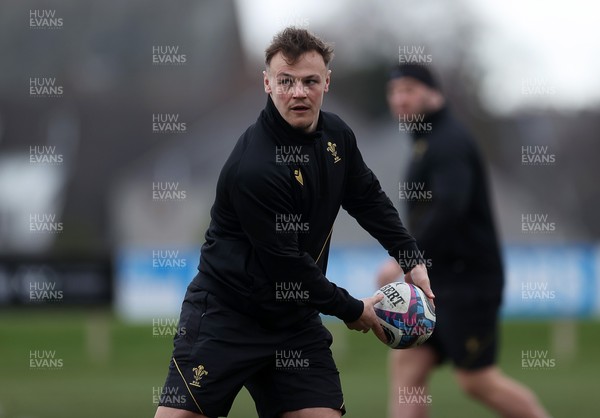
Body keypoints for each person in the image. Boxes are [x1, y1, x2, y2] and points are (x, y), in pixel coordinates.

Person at [154, 28, 434, 418]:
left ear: (327, 82)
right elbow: (287, 264)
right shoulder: (254, 168)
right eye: (286, 81)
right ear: (267, 83)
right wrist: (354, 309)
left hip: (293, 323)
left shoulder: (337, 136)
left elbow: (367, 198)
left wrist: (411, 258)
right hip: (227, 316)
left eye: (309, 81)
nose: (298, 92)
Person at [378, 63, 550, 418]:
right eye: (394, 92)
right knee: (407, 367)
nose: (400, 99)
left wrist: (404, 258)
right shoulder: (425, 140)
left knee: (476, 381)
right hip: (438, 282)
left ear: (434, 93)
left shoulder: (449, 141)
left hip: (468, 284)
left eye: (409, 89)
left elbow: (451, 208)